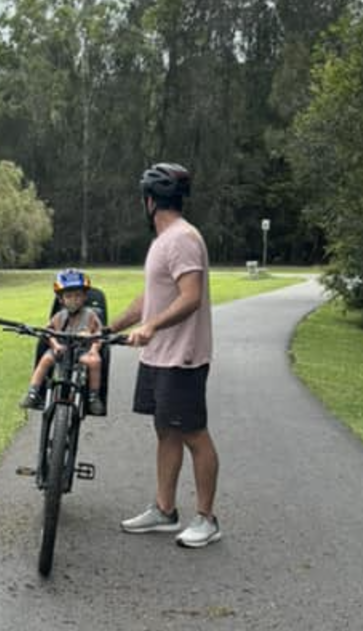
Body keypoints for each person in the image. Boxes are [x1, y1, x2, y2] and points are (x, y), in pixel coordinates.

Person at [107, 163, 221, 548]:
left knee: (193, 433)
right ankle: (164, 510)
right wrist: (110, 328)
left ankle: (207, 518)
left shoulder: (183, 238)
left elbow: (191, 297)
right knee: (166, 429)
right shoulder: (162, 241)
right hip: (159, 357)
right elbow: (149, 299)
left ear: (149, 201)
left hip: (182, 356)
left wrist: (153, 326)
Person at [19, 269, 106, 416]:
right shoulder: (59, 316)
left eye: (78, 295)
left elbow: (99, 334)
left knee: (95, 362)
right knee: (46, 359)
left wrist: (94, 349)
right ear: (61, 299)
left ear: (85, 296)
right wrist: (55, 345)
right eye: (69, 296)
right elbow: (49, 332)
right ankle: (33, 392)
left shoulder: (91, 315)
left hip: (82, 352)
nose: (74, 299)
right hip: (61, 351)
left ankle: (93, 397)